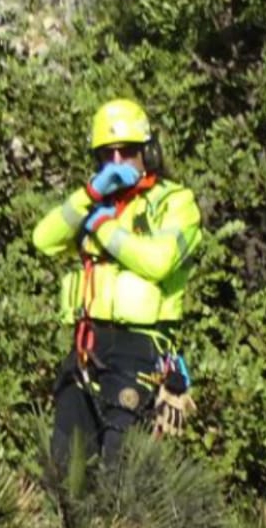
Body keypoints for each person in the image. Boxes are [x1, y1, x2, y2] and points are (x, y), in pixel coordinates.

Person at [31, 98, 202, 480]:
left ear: (148, 152)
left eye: (127, 152)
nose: (118, 161)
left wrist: (105, 228)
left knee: (120, 472)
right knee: (65, 471)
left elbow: (158, 262)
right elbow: (43, 239)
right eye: (107, 154)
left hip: (139, 351)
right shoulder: (93, 203)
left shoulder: (175, 203)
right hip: (86, 348)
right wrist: (89, 196)